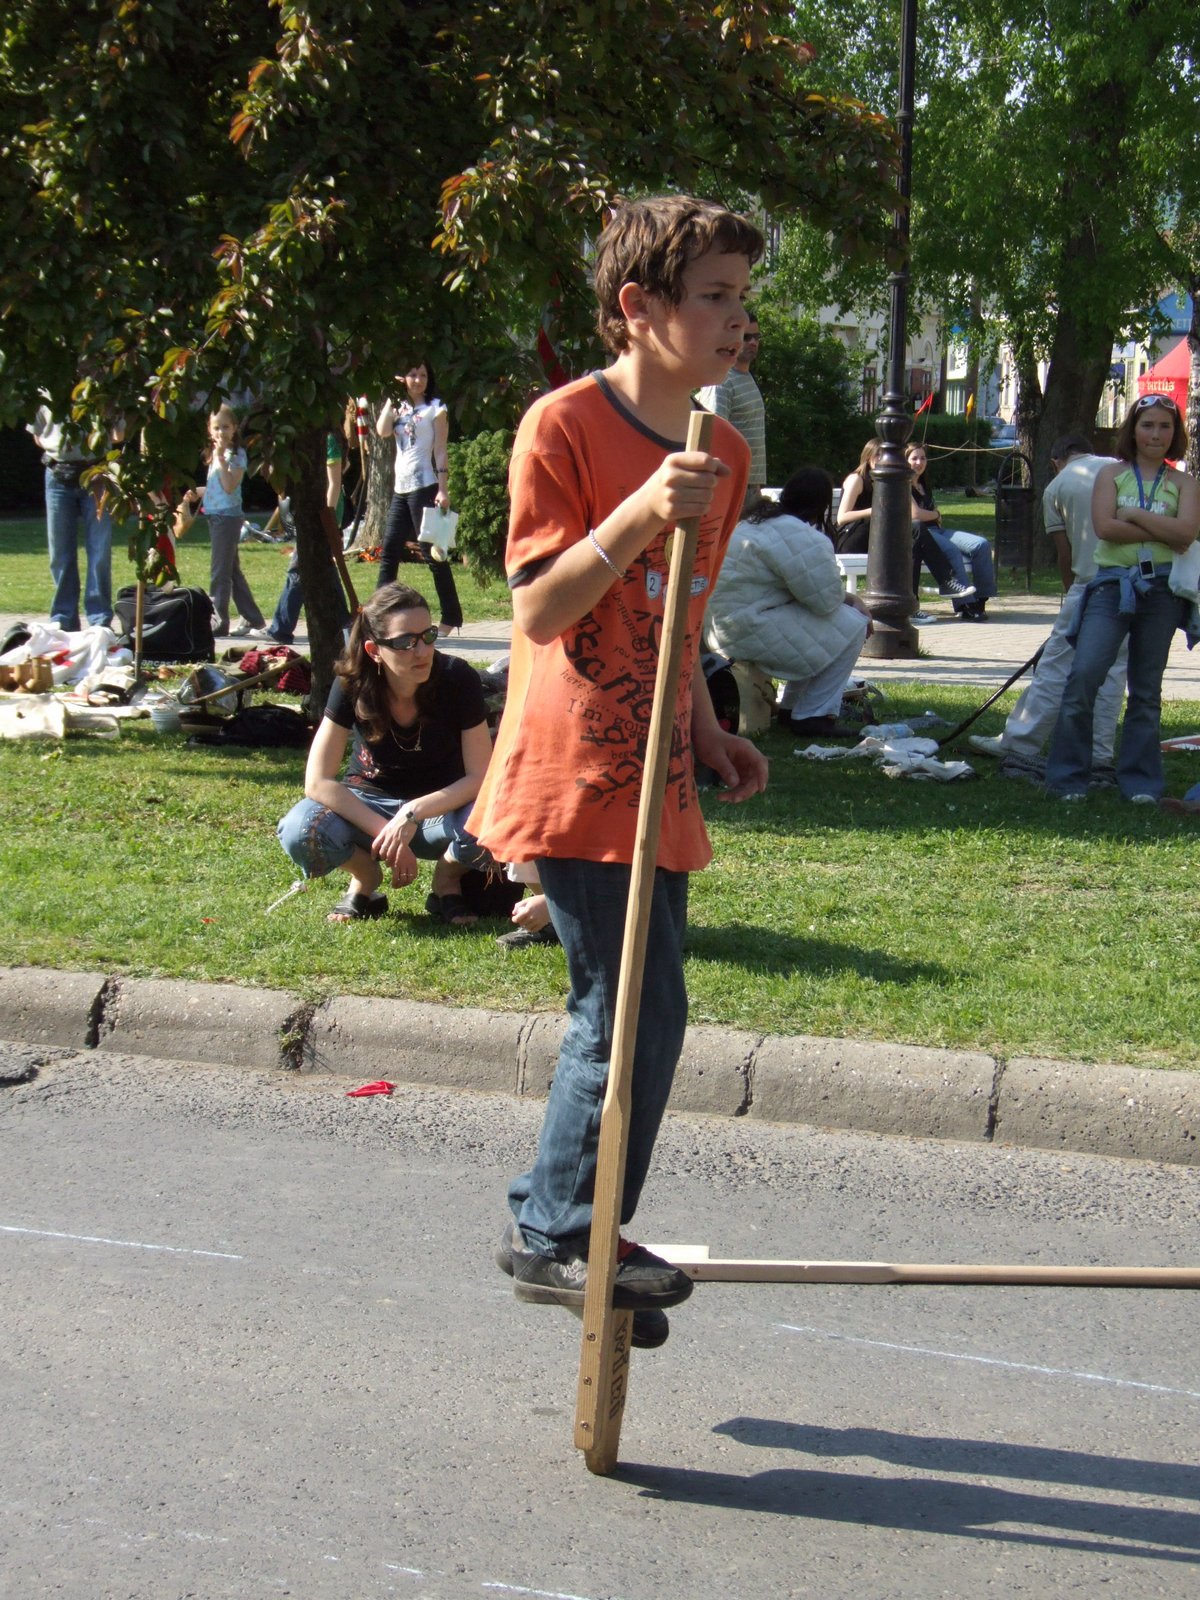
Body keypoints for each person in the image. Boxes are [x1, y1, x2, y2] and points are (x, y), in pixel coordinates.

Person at [469, 195, 769, 1345]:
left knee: (657, 1012)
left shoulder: (723, 453)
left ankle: (587, 1231)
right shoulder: (564, 426)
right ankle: (561, 1230)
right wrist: (643, 508)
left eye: (743, 297)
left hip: (657, 771)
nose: (738, 319)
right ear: (639, 307)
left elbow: (678, 620)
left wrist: (706, 729)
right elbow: (541, 608)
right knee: (622, 1003)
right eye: (715, 296)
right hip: (573, 768)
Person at [277, 583, 492, 924]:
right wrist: (388, 830)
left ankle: (446, 881)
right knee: (299, 829)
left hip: (442, 811)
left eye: (429, 636)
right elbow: (317, 782)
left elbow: (481, 777)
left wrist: (411, 814)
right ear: (374, 650)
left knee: (498, 815)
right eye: (406, 642)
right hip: (369, 803)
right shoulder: (352, 683)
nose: (422, 651)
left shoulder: (457, 678)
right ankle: (365, 878)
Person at [1045, 396, 1200, 802]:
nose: (1156, 434)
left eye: (1165, 426)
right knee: (1085, 675)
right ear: (1133, 430)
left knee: (1146, 691)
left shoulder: (1184, 483)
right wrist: (1161, 527)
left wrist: (1132, 515)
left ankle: (1140, 783)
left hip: (1163, 591)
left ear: (1175, 433)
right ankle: (1067, 778)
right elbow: (1105, 527)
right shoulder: (1111, 475)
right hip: (1112, 586)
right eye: (1148, 425)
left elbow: (1186, 534)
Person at [968, 435, 1125, 779]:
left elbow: (1065, 552)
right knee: (1113, 672)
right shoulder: (1120, 470)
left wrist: (1071, 595)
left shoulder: (1058, 486)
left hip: (1090, 584)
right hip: (1130, 584)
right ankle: (1099, 753)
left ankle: (1020, 741)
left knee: (1055, 666)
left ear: (1056, 461)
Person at [705, 467, 871, 736]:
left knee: (818, 627)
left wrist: (848, 598)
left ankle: (791, 709)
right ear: (821, 505)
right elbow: (826, 601)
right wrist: (854, 602)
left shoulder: (754, 521)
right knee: (854, 624)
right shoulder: (802, 535)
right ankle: (814, 714)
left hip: (720, 627)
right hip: (746, 629)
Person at [835, 438, 976, 614]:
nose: (883, 460)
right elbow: (841, 518)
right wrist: (876, 510)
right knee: (916, 529)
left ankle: (911, 606)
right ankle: (945, 582)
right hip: (854, 539)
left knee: (914, 544)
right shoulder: (857, 479)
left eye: (886, 456)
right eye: (878, 456)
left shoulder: (885, 480)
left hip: (878, 537)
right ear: (868, 456)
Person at [376, 360, 464, 636]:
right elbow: (382, 431)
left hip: (424, 485)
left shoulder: (435, 408)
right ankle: (378, 615)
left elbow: (440, 450)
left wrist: (443, 489)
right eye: (412, 374)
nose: (418, 380)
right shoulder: (398, 407)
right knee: (389, 550)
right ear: (402, 378)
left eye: (423, 375)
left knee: (432, 554)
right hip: (400, 488)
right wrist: (391, 400)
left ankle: (451, 616)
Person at [267, 414, 353, 647]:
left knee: (299, 568)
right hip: (316, 512)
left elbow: (334, 482)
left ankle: (281, 628)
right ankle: (346, 622)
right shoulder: (317, 437)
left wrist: (328, 517)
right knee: (319, 567)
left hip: (324, 513)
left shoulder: (330, 439)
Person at [29, 406, 116, 631]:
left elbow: (118, 434)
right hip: (57, 473)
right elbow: (37, 434)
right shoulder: (46, 390)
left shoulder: (101, 392)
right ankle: (63, 618)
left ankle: (99, 619)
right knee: (60, 551)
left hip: (97, 473)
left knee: (100, 549)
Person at [199, 404, 268, 639]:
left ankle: (219, 621)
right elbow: (216, 486)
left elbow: (229, 486)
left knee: (219, 572)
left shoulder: (236, 455)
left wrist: (220, 458)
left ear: (235, 428)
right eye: (216, 428)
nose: (221, 433)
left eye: (225, 427)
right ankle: (252, 618)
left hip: (227, 517)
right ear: (209, 430)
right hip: (215, 515)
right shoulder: (214, 454)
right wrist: (198, 492)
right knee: (231, 570)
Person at [906, 442, 997, 620]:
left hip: (938, 529)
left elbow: (927, 513)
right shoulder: (903, 484)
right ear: (905, 461)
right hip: (922, 535)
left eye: (923, 458)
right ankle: (965, 605)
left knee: (981, 545)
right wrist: (936, 514)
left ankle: (980, 599)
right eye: (914, 458)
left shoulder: (924, 484)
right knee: (951, 550)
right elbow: (915, 515)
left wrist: (933, 515)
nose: (919, 462)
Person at [698, 311, 766, 507]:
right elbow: (712, 434)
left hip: (750, 485)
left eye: (756, 337)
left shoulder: (745, 377)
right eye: (746, 337)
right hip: (730, 485)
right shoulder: (721, 381)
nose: (753, 342)